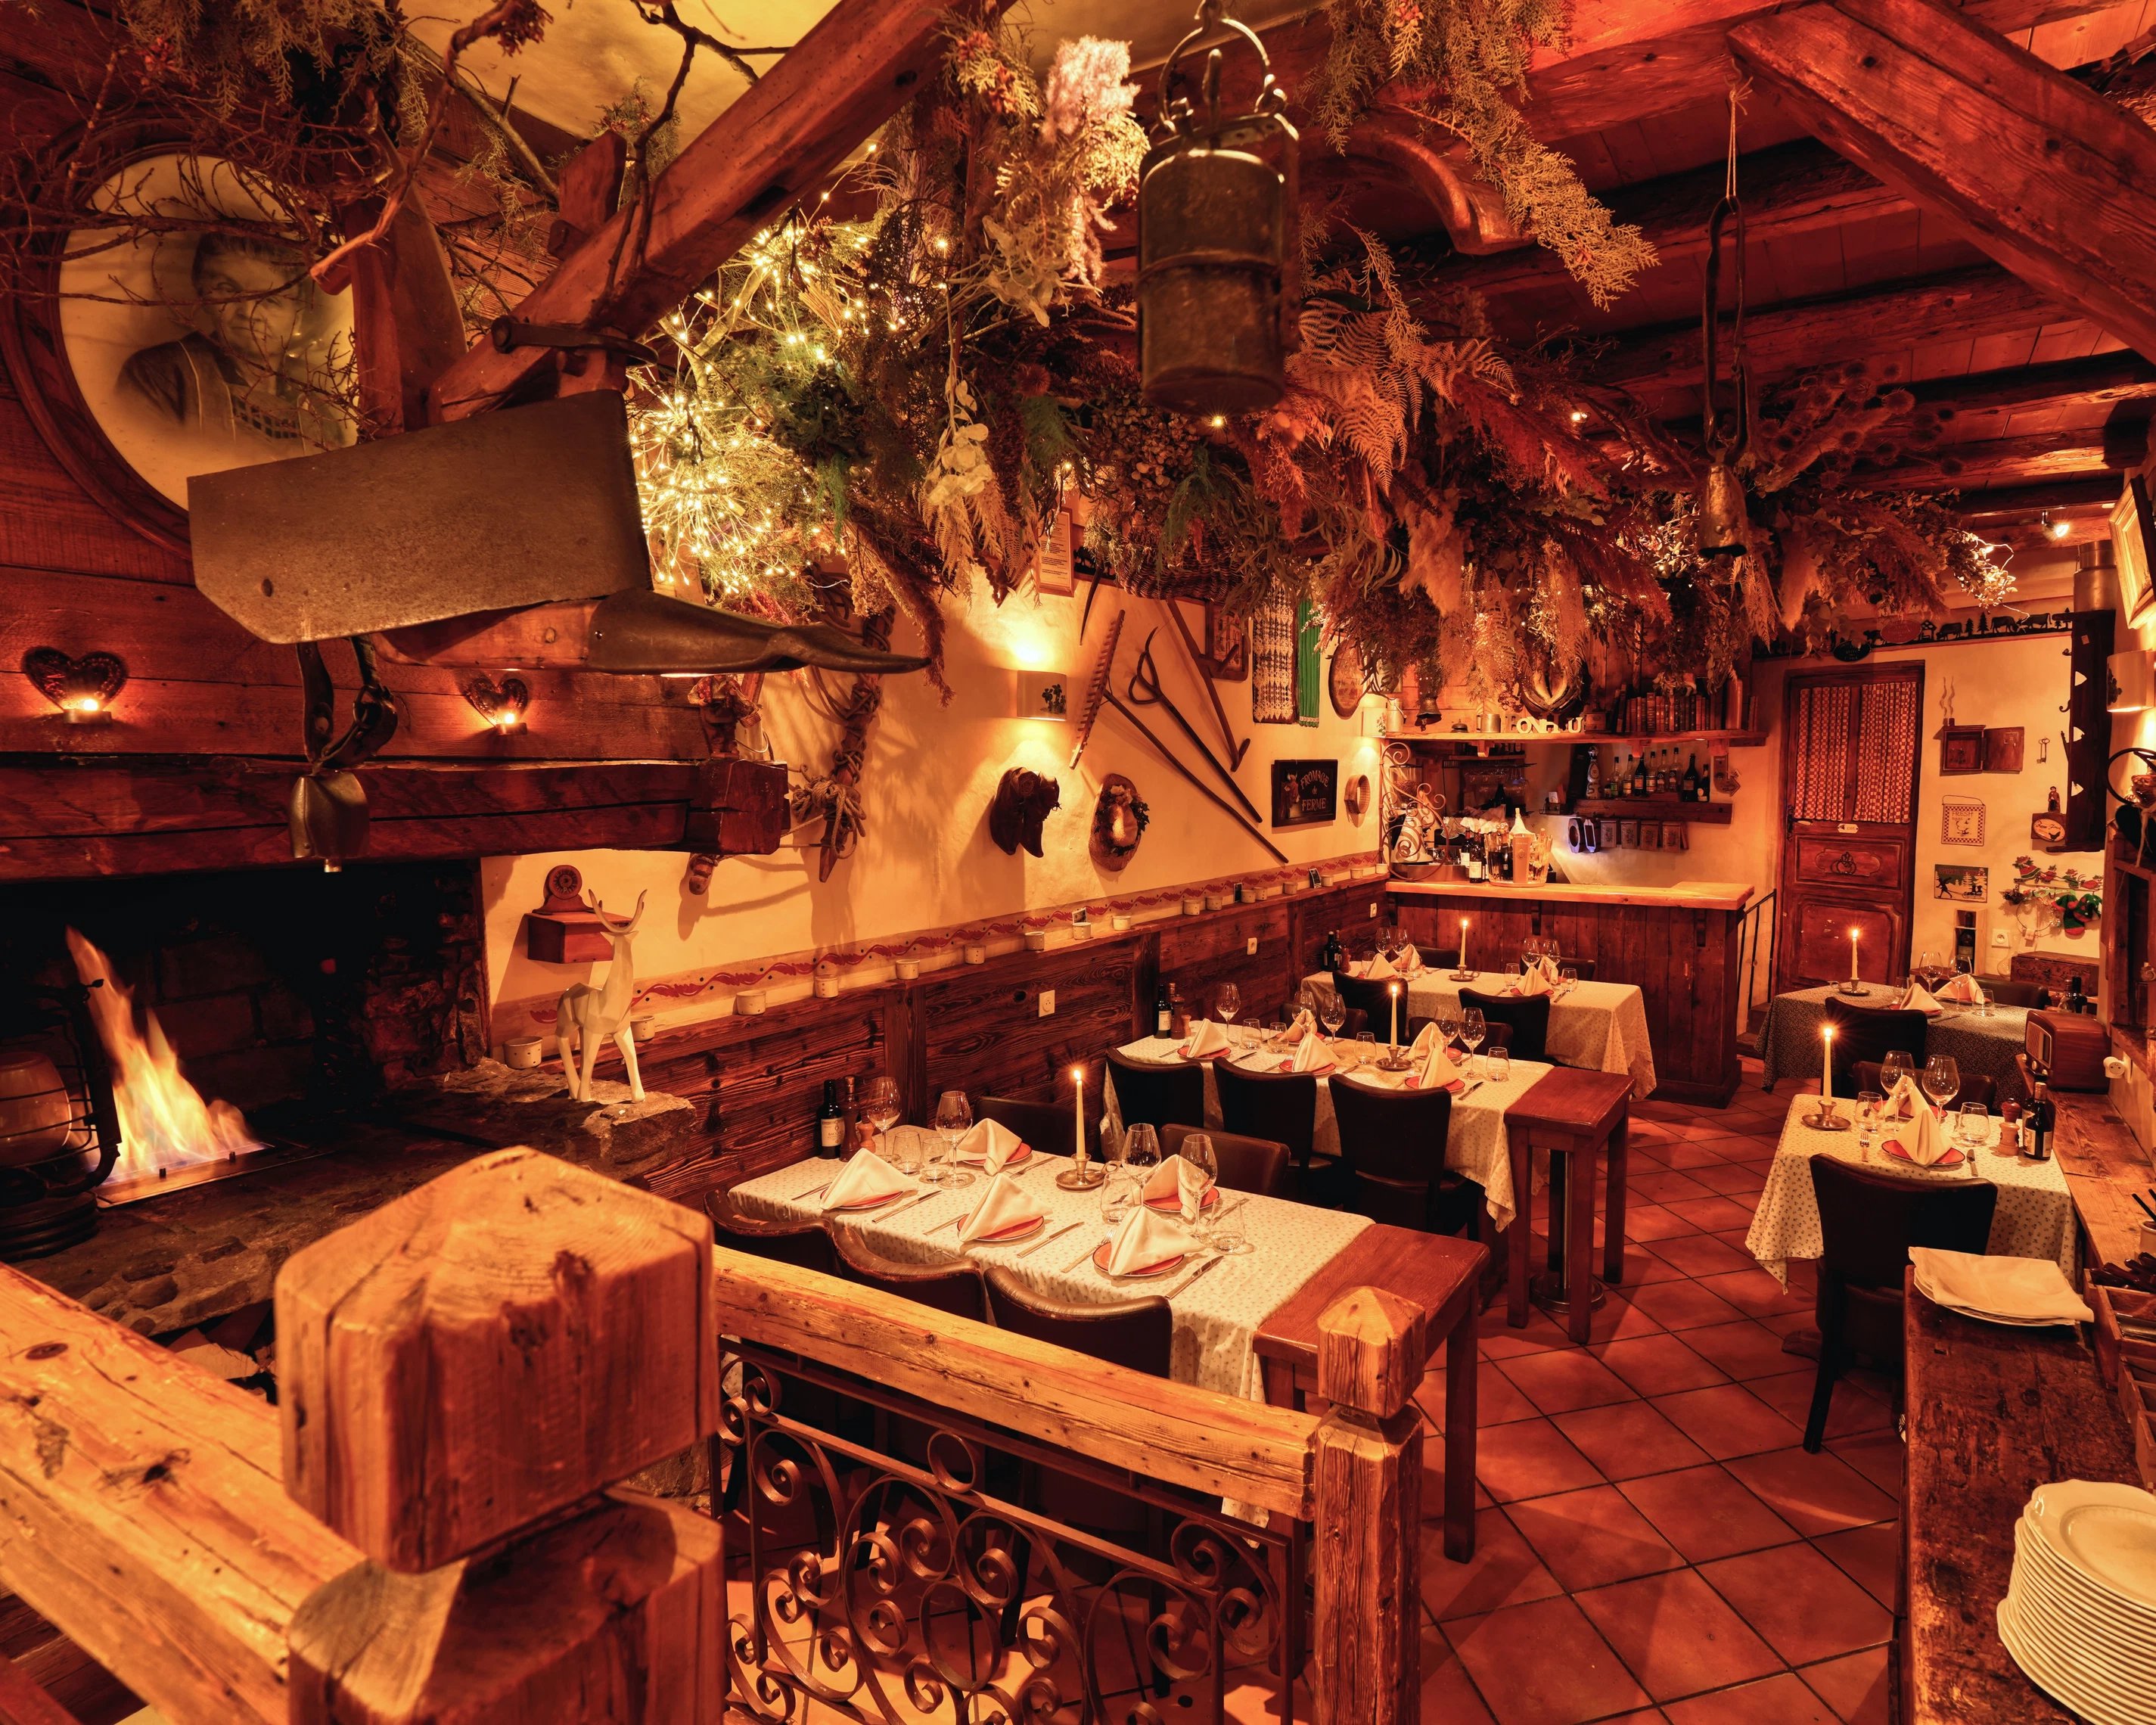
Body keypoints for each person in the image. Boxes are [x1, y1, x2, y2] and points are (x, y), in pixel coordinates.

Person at [117, 232, 349, 457]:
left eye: (270, 299)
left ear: (297, 316)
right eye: (230, 291)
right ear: (204, 297)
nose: (248, 312)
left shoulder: (319, 414)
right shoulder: (163, 376)